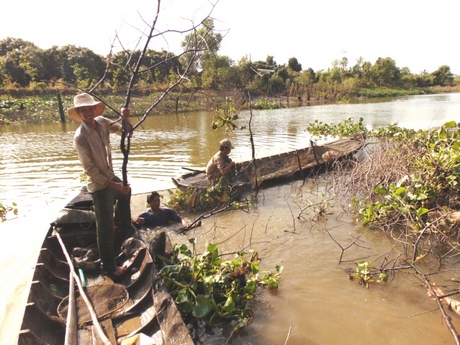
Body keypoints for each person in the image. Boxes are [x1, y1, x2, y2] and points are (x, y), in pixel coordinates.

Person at [69, 93, 133, 278]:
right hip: (99, 184)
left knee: (126, 192)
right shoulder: (80, 136)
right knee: (104, 228)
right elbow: (90, 170)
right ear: (79, 113)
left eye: (90, 109)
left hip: (110, 175)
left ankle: (121, 224)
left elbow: (126, 131)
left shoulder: (103, 122)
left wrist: (125, 118)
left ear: (94, 109)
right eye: (84, 110)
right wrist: (114, 186)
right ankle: (109, 267)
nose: (88, 113)